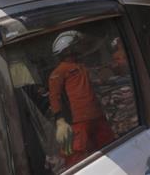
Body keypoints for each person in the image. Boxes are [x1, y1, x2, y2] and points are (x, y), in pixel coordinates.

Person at [48, 31, 115, 168]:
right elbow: (54, 96)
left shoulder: (82, 67)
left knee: (111, 148)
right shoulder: (58, 72)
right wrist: (60, 120)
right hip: (79, 122)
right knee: (76, 157)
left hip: (98, 116)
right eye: (76, 45)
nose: (80, 48)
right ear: (68, 50)